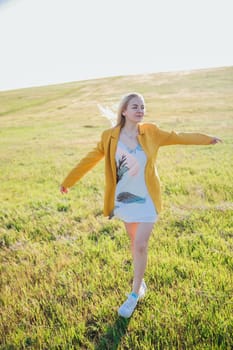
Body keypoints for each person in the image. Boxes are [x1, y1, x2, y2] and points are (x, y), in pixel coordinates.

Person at [60, 92, 222, 318]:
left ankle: (134, 294)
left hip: (147, 199)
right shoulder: (109, 136)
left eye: (143, 106)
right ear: (124, 111)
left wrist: (207, 139)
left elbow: (178, 136)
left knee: (141, 245)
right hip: (124, 199)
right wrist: (69, 181)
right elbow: (90, 159)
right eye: (135, 106)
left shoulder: (151, 132)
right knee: (134, 242)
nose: (140, 110)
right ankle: (140, 279)